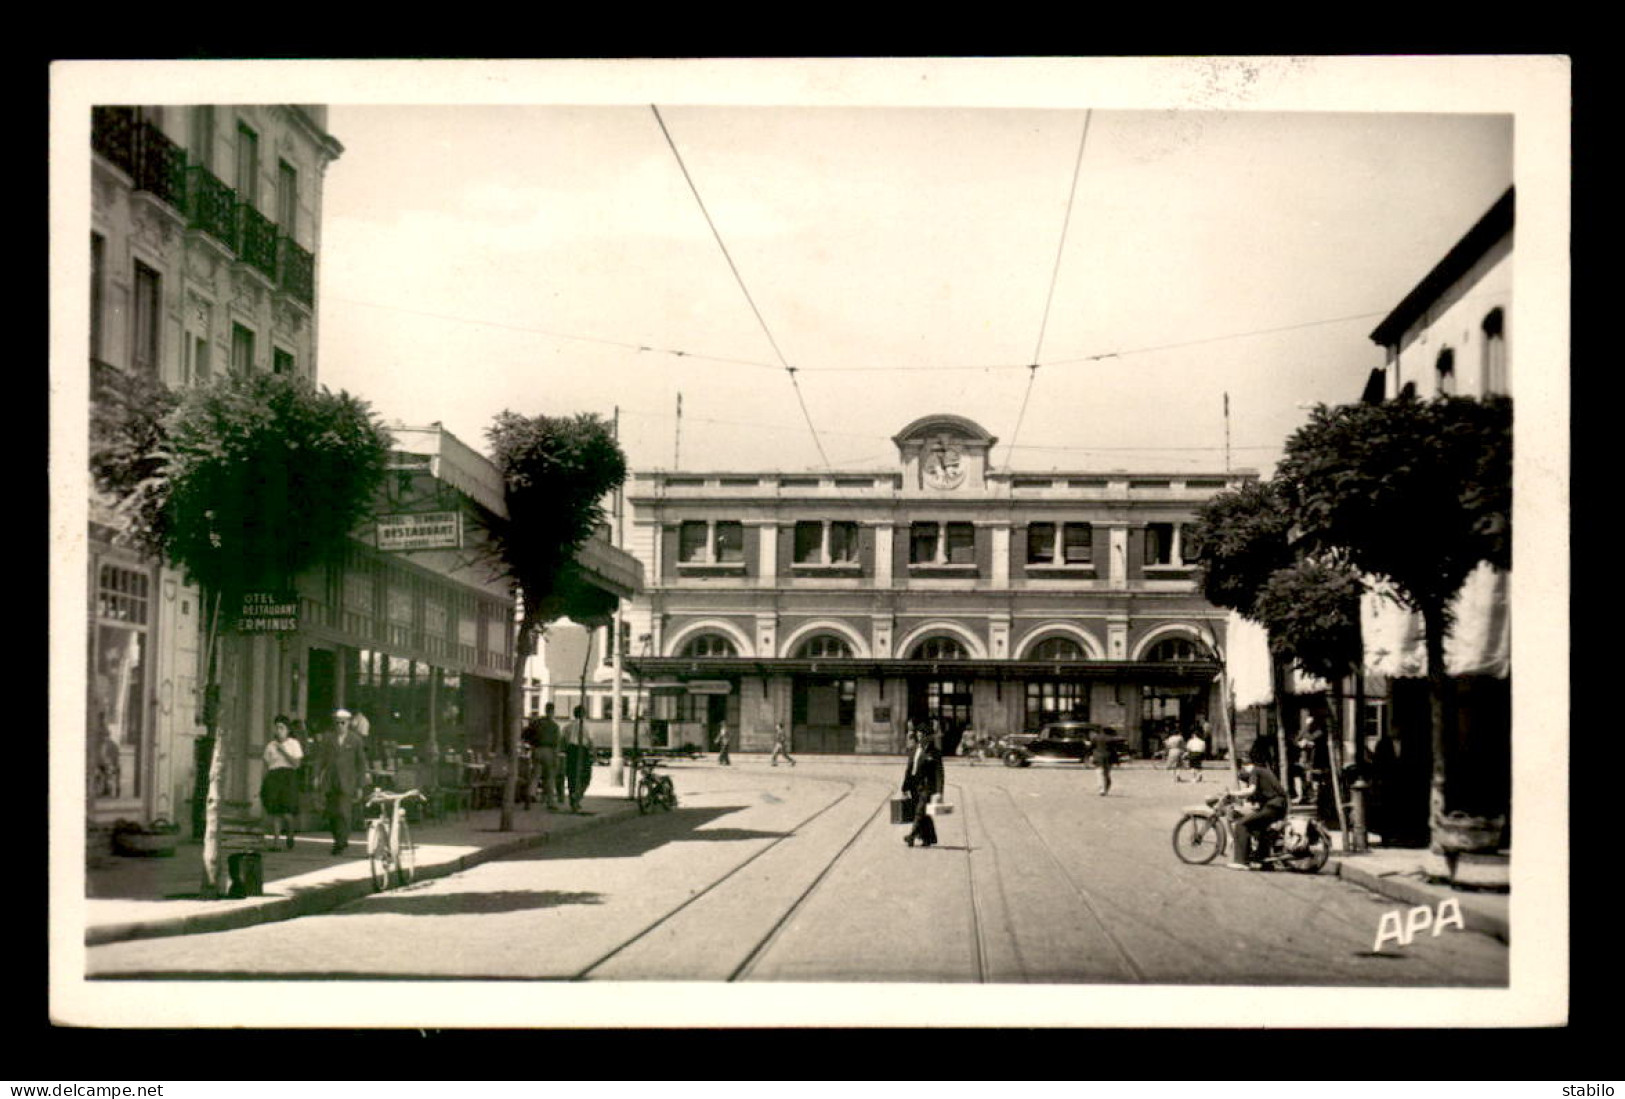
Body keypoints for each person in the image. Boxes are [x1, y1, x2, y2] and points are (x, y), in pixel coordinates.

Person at [314, 709, 369, 855]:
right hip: (331, 781)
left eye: (343, 722)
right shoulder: (328, 739)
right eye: (337, 723)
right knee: (332, 812)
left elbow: (361, 763)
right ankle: (337, 839)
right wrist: (316, 776)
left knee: (344, 812)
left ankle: (341, 841)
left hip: (348, 781)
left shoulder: (355, 740)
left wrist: (360, 785)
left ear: (349, 723)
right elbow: (320, 759)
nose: (340, 726)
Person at [1228, 758, 1290, 870]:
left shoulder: (1254, 771)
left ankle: (1241, 861)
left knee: (1241, 824)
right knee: (1259, 827)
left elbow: (1251, 790)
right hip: (1279, 806)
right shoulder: (1264, 771)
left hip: (1273, 806)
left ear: (1244, 767)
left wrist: (1233, 793)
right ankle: (1264, 860)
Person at [260, 714, 304, 851]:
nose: (279, 731)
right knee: (275, 811)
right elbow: (265, 764)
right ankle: (276, 842)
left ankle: (290, 834)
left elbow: (296, 764)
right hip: (274, 777)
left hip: (288, 777)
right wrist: (264, 781)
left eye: (282, 728)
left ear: (287, 730)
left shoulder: (293, 744)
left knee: (287, 811)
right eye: (277, 728)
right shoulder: (270, 746)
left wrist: (283, 751)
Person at [900, 727, 945, 848]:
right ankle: (928, 838)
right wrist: (904, 787)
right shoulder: (914, 749)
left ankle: (911, 836)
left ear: (929, 737)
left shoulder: (934, 752)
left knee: (920, 811)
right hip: (914, 785)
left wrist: (939, 792)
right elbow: (909, 770)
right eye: (919, 736)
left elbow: (939, 773)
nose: (920, 738)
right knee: (922, 812)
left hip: (927, 787)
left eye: (923, 736)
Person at [523, 703, 563, 809]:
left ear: (545, 710)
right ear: (552, 711)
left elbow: (525, 734)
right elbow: (557, 743)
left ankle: (530, 794)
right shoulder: (554, 726)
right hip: (548, 751)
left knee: (535, 775)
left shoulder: (537, 723)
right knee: (549, 777)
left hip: (536, 750)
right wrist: (556, 758)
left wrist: (531, 745)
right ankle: (550, 802)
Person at [563, 705, 593, 813]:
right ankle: (578, 796)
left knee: (571, 776)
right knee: (586, 776)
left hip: (571, 751)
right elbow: (590, 741)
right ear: (583, 714)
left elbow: (564, 740)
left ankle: (573, 800)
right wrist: (594, 754)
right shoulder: (586, 726)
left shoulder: (568, 726)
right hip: (582, 750)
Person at [1089, 725, 1125, 795]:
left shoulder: (1095, 738)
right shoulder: (1111, 739)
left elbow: (1091, 747)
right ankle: (1106, 789)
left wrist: (1090, 755)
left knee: (1099, 773)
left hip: (1098, 757)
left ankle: (1101, 789)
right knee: (1106, 774)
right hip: (1109, 758)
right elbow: (1115, 749)